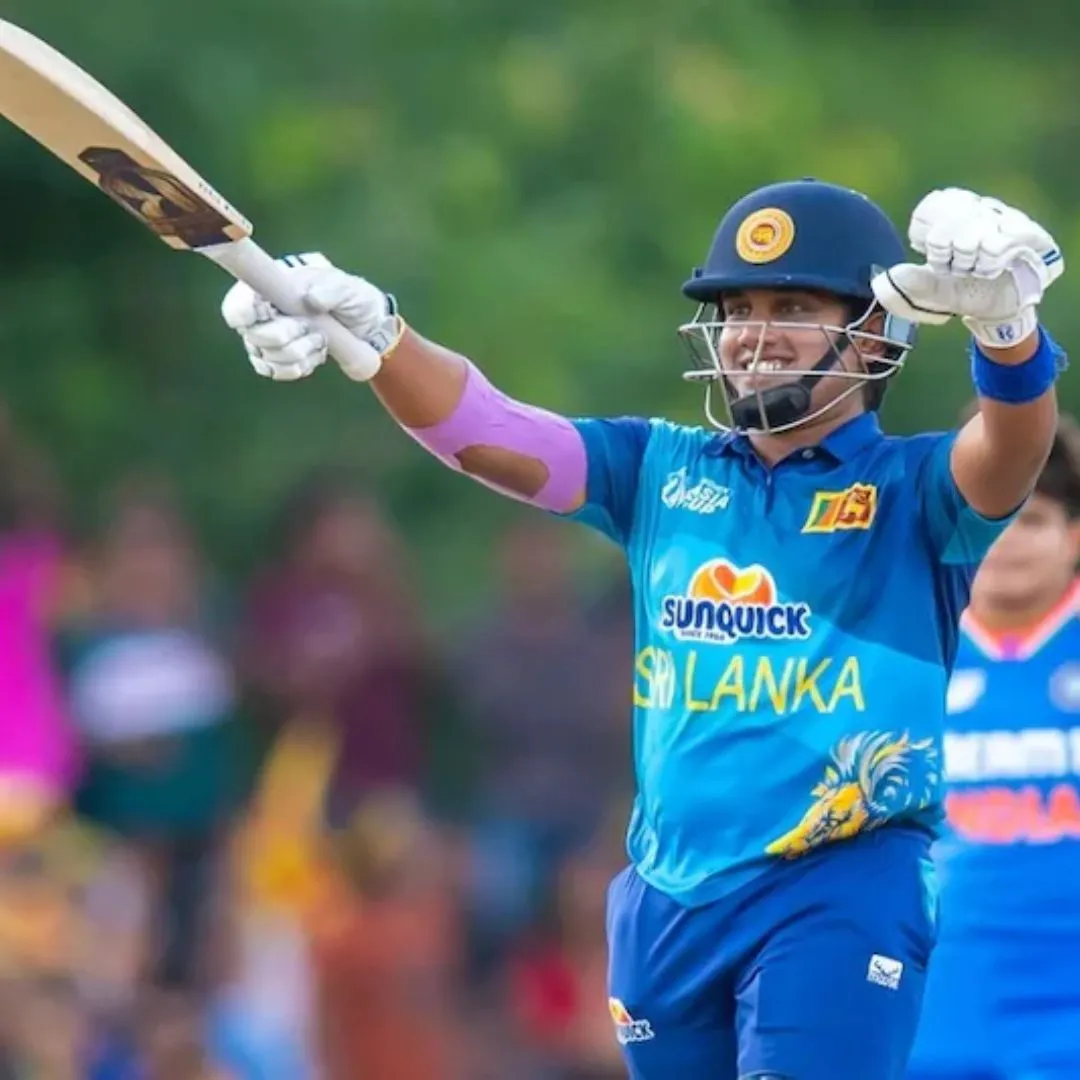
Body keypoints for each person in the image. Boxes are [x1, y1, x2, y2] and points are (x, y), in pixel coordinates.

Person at [220, 180, 1067, 1079]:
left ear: (873, 333)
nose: (754, 333)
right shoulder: (660, 470)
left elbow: (1015, 448)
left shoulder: (915, 491)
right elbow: (483, 431)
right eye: (737, 308)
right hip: (668, 900)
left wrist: (1006, 334)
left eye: (793, 307)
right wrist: (377, 338)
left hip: (840, 879)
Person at [906, 414, 1080, 1080]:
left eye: (1030, 521)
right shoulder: (903, 648)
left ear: (1074, 534)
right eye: (991, 520)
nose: (1006, 543)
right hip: (936, 1005)